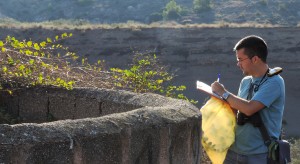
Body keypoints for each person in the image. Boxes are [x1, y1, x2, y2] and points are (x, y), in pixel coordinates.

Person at [211, 35, 285, 163]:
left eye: (240, 59)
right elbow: (239, 110)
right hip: (233, 151)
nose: (238, 64)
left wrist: (223, 92)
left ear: (255, 59)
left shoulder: (274, 82)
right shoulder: (246, 81)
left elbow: (250, 108)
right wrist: (221, 101)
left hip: (258, 155)